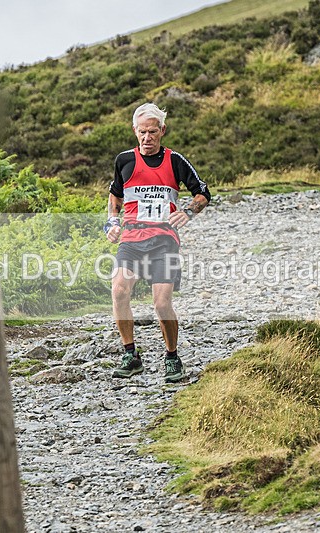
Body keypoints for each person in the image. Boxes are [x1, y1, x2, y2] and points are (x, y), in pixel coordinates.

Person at [104, 102, 210, 382]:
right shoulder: (124, 160)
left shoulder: (175, 161)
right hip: (132, 238)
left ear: (162, 131)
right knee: (118, 290)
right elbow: (115, 195)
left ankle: (172, 357)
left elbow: (202, 193)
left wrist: (188, 212)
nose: (147, 138)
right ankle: (130, 355)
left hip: (164, 241)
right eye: (142, 132)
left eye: (152, 132)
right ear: (134, 131)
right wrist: (112, 222)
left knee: (161, 304)